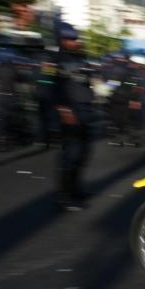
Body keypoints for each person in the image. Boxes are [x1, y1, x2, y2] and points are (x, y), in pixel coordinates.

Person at [54, 22, 95, 211]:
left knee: (84, 153)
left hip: (86, 109)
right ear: (62, 40)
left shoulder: (80, 58)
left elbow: (88, 81)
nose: (73, 42)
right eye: (69, 39)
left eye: (75, 38)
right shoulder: (56, 60)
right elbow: (52, 87)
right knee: (70, 155)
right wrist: (63, 109)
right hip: (70, 111)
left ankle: (76, 188)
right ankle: (65, 196)